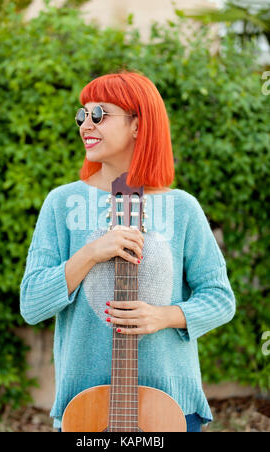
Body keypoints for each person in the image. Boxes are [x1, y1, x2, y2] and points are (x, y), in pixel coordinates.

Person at [20, 70, 236, 433]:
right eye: (81, 115)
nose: (86, 124)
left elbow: (219, 299)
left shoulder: (182, 208)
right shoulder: (62, 203)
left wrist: (163, 316)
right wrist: (90, 252)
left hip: (168, 407)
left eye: (99, 114)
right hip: (84, 409)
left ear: (138, 124)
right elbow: (32, 303)